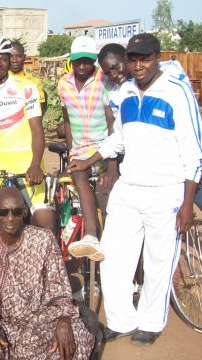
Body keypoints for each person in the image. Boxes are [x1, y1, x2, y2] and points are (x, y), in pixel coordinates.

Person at [68, 33, 202, 346]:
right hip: (128, 188)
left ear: (157, 58)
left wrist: (185, 205)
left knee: (157, 261)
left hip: (165, 191)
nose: (138, 65)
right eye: (134, 59)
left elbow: (194, 153)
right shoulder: (125, 92)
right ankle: (121, 319)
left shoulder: (177, 92)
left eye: (145, 58)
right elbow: (119, 139)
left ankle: (151, 322)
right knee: (112, 256)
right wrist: (89, 160)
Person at [0, 187, 94, 359]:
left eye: (16, 212)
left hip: (37, 325)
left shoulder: (43, 239)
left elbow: (59, 288)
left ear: (24, 212)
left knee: (76, 333)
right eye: (4, 212)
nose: (10, 218)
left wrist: (64, 320)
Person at [0, 37, 54, 231]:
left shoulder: (27, 88)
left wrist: (35, 164)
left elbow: (37, 129)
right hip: (1, 159)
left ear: (9, 60)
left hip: (28, 158)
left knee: (45, 219)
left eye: (2, 59)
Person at [59, 36, 118, 262]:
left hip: (103, 147)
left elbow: (111, 120)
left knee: (106, 192)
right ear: (72, 61)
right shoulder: (64, 83)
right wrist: (69, 152)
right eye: (78, 61)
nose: (83, 66)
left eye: (87, 61)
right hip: (79, 149)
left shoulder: (104, 80)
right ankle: (91, 235)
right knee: (79, 176)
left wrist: (111, 164)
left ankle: (111, 243)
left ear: (93, 61)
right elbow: (67, 121)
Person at [9, 41, 47, 115]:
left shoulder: (34, 81)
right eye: (11, 56)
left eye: (18, 56)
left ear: (24, 57)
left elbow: (40, 108)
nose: (14, 60)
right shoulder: (1, 81)